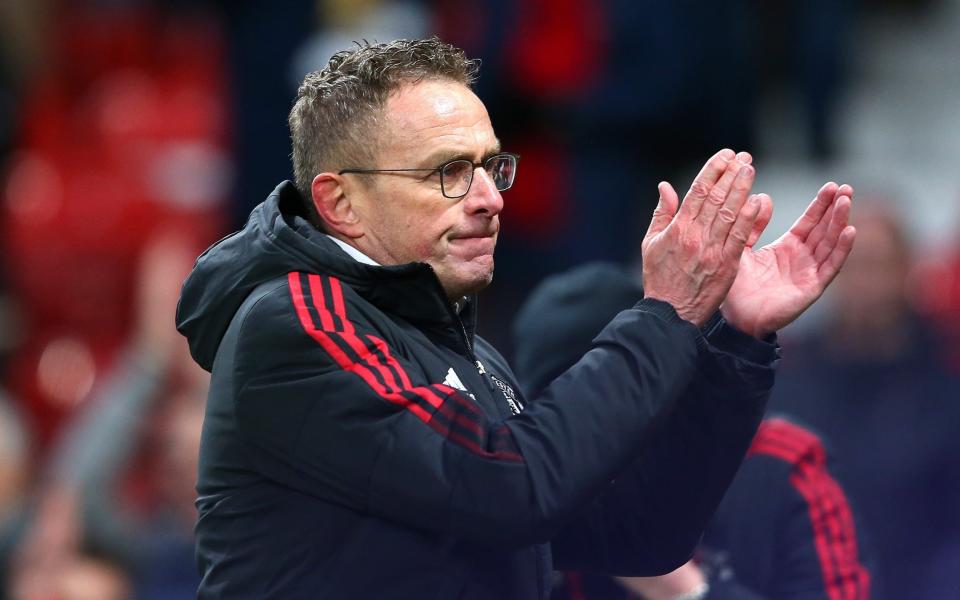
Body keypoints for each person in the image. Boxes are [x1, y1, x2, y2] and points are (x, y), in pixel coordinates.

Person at [175, 38, 856, 599]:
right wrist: (667, 311)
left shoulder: (464, 352)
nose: (489, 199)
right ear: (342, 203)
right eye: (448, 172)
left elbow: (637, 535)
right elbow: (513, 486)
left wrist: (734, 339)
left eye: (490, 167)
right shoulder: (298, 321)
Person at [512, 262, 871, 600]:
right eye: (556, 409)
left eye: (598, 399)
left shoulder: (784, 463)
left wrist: (686, 590)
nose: (577, 424)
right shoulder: (530, 490)